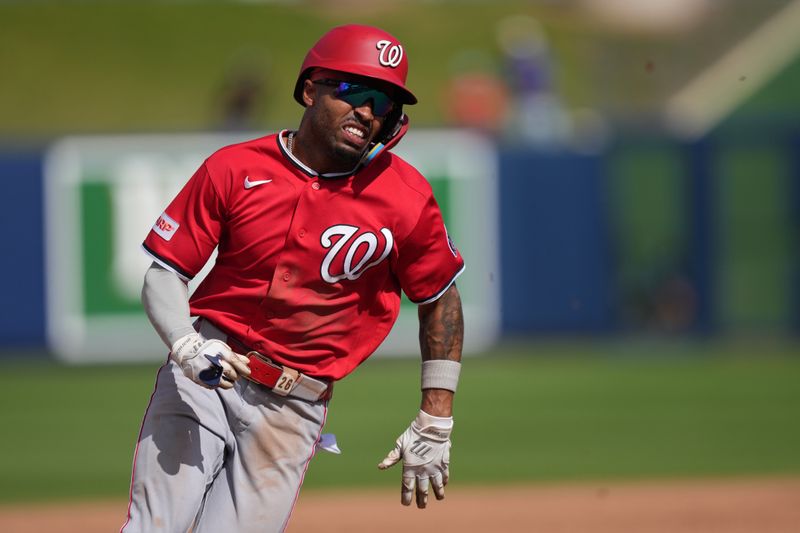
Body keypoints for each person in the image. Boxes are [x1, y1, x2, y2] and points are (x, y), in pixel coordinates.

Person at [120, 24, 465, 533]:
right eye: (352, 90)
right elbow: (165, 272)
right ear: (310, 89)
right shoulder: (234, 168)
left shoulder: (405, 198)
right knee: (157, 526)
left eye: (383, 103)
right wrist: (185, 344)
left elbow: (441, 298)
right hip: (210, 370)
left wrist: (436, 418)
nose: (367, 112)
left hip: (295, 408)